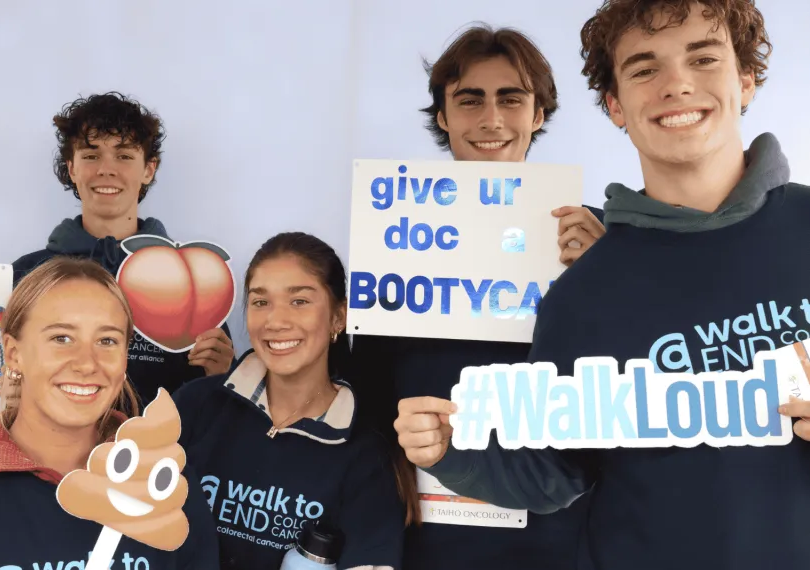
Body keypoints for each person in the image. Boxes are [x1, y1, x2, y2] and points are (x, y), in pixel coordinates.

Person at [397, 1, 810, 569]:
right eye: (644, 69)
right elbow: (556, 472)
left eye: (703, 58)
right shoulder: (581, 292)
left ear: (746, 80)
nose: (677, 85)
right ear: (615, 105)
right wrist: (450, 453)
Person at [349, 25, 604, 570]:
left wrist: (604, 276)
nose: (491, 119)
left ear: (538, 114)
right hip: (422, 530)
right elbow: (368, 397)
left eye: (511, 99)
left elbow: (614, 394)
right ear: (443, 116)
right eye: (470, 100)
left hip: (550, 533)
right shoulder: (390, 236)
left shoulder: (593, 243)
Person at [0, 257, 219, 569]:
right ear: (13, 354)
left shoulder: (165, 483)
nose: (87, 363)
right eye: (61, 338)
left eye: (107, 341)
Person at [171, 232, 405, 569]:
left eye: (299, 301)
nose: (275, 321)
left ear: (338, 317)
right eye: (260, 302)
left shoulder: (366, 453)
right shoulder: (195, 405)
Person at [11, 92, 235, 406]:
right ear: (72, 168)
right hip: (53, 451)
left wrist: (222, 374)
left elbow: (213, 406)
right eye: (91, 155)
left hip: (164, 452)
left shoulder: (197, 276)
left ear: (149, 169)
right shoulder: (26, 274)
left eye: (124, 155)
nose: (106, 169)